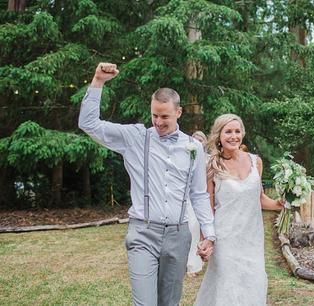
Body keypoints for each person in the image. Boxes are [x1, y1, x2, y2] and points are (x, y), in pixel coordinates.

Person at [78, 63, 216, 306]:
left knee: (168, 302)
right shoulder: (135, 137)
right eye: (154, 115)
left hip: (178, 234)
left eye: (165, 116)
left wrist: (209, 234)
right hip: (142, 232)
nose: (158, 122)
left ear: (179, 112)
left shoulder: (193, 148)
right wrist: (98, 81)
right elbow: (89, 124)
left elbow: (199, 194)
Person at [194, 114, 284, 306]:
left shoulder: (255, 162)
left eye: (237, 131)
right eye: (228, 131)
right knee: (228, 288)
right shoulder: (212, 165)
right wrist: (206, 241)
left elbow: (259, 199)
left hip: (252, 239)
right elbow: (207, 209)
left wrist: (279, 204)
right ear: (219, 136)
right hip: (225, 238)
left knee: (253, 284)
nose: (233, 136)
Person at [186, 131, 209, 276]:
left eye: (201, 139)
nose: (198, 141)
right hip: (184, 197)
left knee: (194, 227)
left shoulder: (208, 159)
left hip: (200, 198)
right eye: (195, 139)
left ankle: (192, 264)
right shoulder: (185, 157)